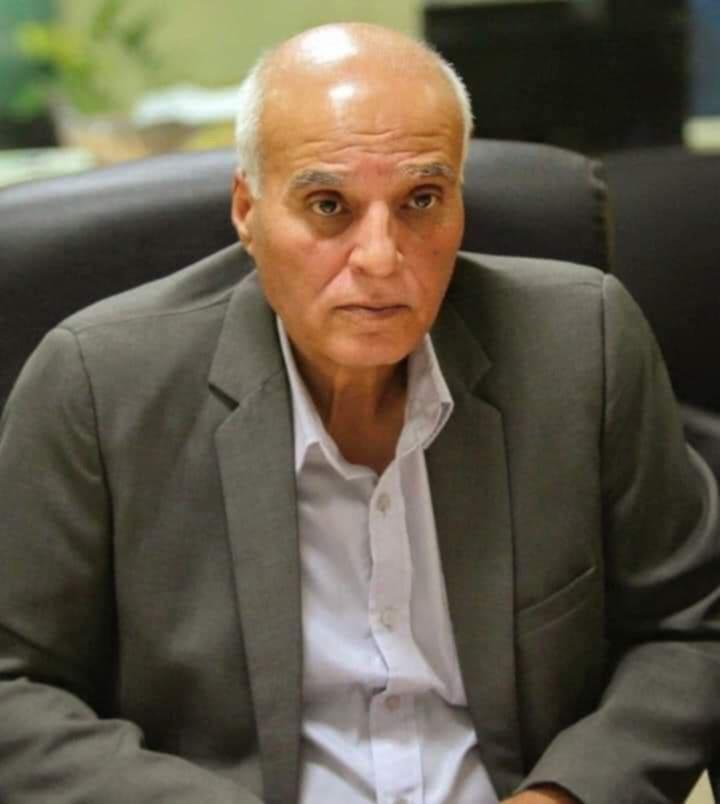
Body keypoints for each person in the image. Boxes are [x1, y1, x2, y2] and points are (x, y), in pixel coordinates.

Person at [0, 22, 719, 804]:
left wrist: (564, 797)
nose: (380, 258)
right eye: (328, 206)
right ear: (247, 210)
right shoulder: (98, 385)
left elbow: (688, 626)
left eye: (421, 200)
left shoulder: (582, 346)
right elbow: (14, 690)